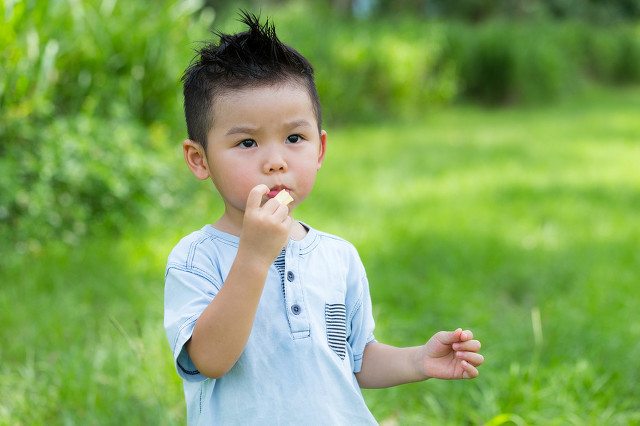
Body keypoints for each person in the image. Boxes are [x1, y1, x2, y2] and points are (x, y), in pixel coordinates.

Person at [164, 11, 484, 425]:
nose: (276, 162)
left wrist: (418, 361)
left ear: (319, 150)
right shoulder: (195, 259)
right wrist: (255, 258)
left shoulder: (339, 256)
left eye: (294, 138)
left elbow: (356, 358)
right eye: (247, 142)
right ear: (199, 159)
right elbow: (209, 359)